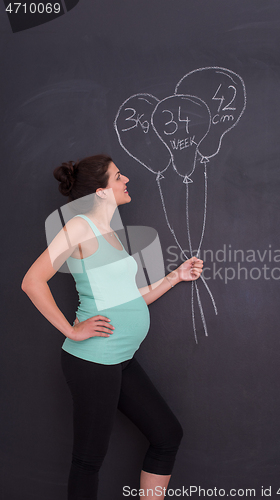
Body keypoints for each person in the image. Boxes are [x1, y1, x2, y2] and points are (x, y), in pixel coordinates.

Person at [21, 154, 203, 500]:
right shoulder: (78, 227)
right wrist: (72, 331)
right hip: (93, 361)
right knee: (88, 461)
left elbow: (127, 298)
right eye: (118, 177)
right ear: (101, 191)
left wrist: (174, 276)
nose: (126, 180)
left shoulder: (112, 233)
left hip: (119, 357)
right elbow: (32, 281)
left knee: (167, 435)